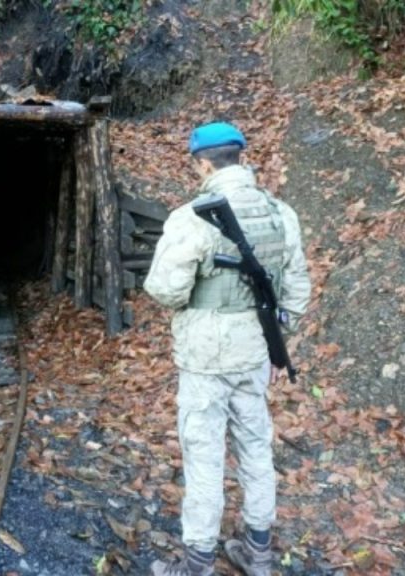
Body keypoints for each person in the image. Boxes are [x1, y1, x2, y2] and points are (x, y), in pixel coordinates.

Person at [143, 122, 311, 576]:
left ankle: (197, 563)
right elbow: (295, 289)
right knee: (256, 447)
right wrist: (278, 338)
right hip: (256, 351)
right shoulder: (281, 213)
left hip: (205, 357)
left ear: (202, 163)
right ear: (239, 156)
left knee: (204, 455)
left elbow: (165, 288)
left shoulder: (193, 216)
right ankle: (258, 553)